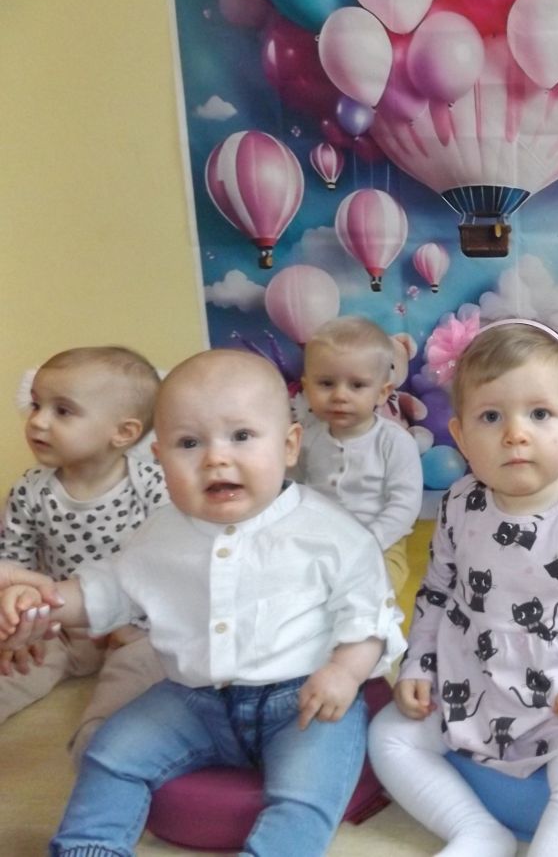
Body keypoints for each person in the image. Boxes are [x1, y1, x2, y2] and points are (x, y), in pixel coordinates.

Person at [0, 348, 404, 856]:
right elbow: (107, 588)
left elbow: (368, 616)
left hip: (304, 700)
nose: (216, 458)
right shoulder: (159, 534)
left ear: (288, 445)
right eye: (189, 443)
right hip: (194, 699)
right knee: (109, 752)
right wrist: (39, 601)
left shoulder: (330, 533)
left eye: (242, 436)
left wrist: (345, 671)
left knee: (305, 795)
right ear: (159, 457)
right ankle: (89, 846)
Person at [368, 320, 558, 857]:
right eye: (490, 417)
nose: (515, 434)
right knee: (388, 737)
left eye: (540, 414)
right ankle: (476, 831)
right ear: (460, 437)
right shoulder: (460, 505)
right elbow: (437, 592)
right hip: (473, 682)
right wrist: (419, 666)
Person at [0, 346, 168, 766]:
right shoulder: (31, 490)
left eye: (62, 411)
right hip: (60, 626)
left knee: (135, 683)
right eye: (36, 405)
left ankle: (103, 752)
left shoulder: (153, 485)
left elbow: (171, 560)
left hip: (138, 627)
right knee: (14, 666)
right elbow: (15, 564)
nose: (38, 421)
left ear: (124, 433)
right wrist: (19, 620)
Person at [295, 315, 423, 598]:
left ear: (382, 392)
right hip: (318, 541)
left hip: (379, 543)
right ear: (307, 387)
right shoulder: (307, 438)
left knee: (371, 591)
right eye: (326, 383)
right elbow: (294, 490)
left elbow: (405, 504)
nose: (340, 395)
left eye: (356, 385)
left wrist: (369, 541)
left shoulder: (394, 442)